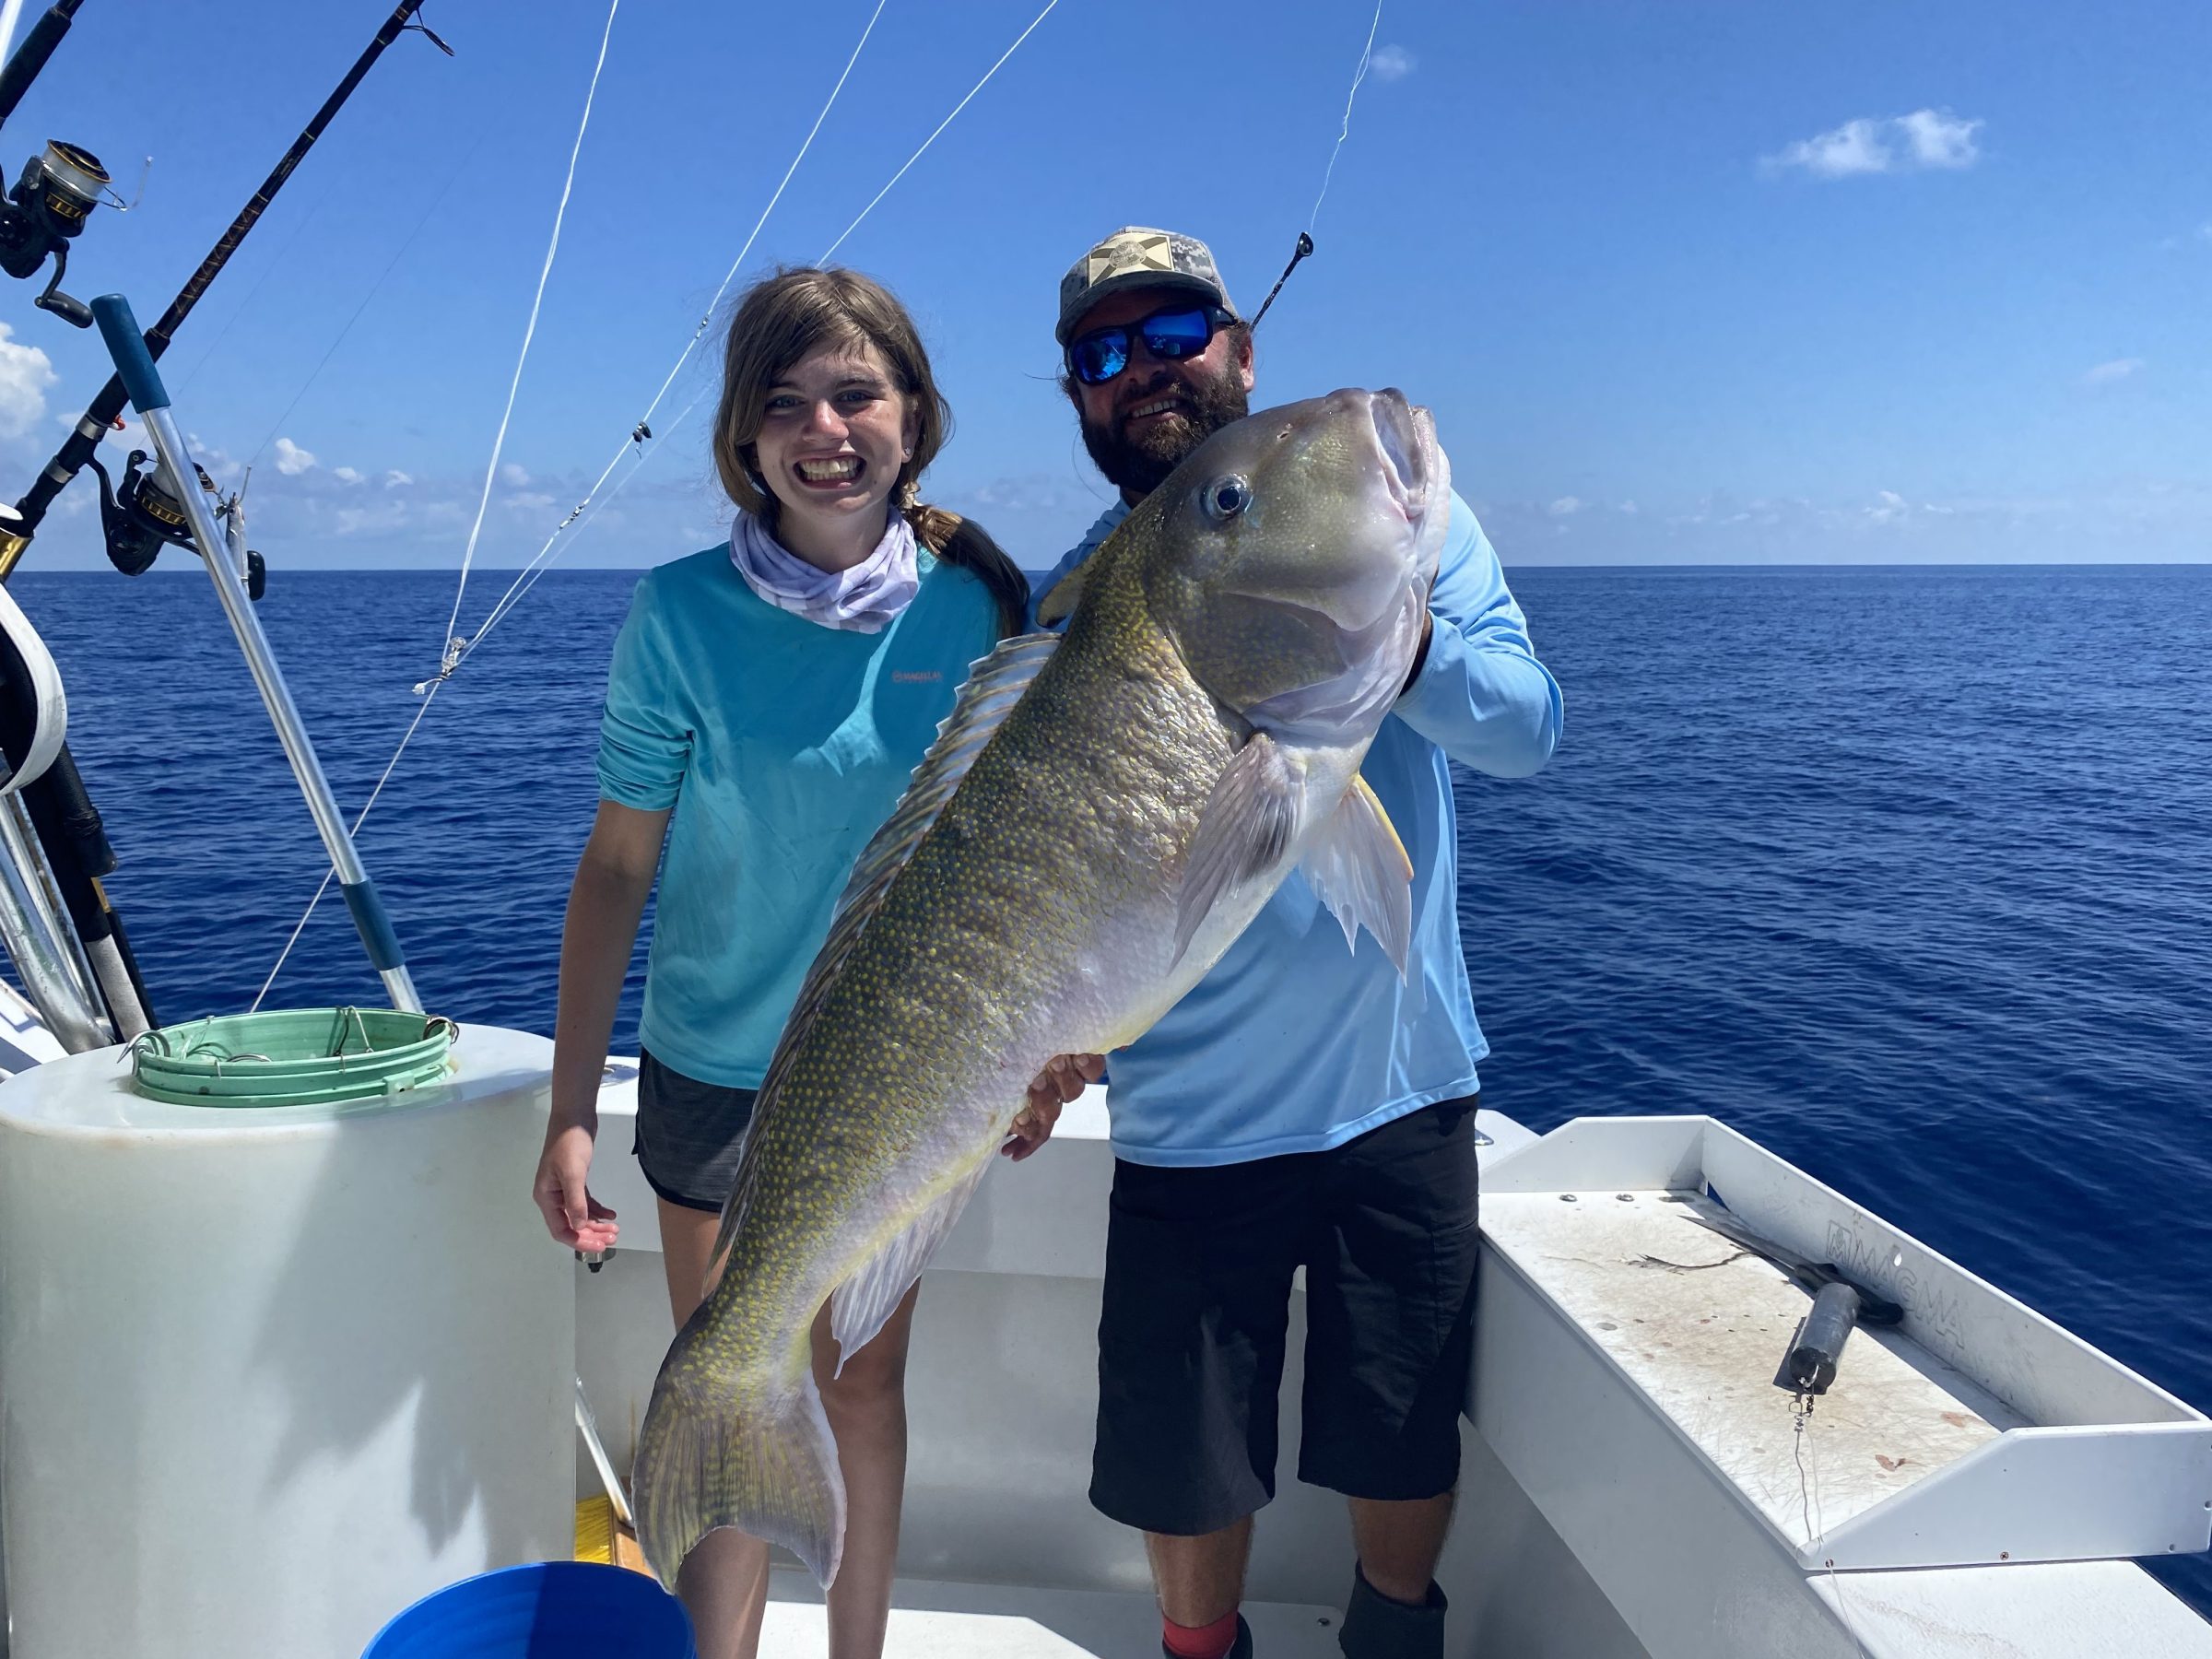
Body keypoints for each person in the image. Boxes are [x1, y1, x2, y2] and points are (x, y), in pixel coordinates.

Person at [1032, 228, 1564, 1659]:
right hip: (1186, 1118)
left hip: (1397, 1085)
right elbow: (1065, 884)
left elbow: (1527, 726)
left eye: (1175, 333)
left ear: (1241, 348)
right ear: (1079, 399)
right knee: (1182, 1452)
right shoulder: (1074, 604)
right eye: (1103, 354)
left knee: (1399, 1425)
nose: (1144, 370)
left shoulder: (1392, 516)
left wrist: (1379, 640)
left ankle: (1394, 1644)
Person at [529, 265, 1054, 1659]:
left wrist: (1056, 1054)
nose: (825, 428)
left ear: (915, 415)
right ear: (742, 440)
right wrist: (573, 1110)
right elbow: (618, 867)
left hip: (907, 1072)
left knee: (863, 1381)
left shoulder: (980, 607)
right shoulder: (677, 614)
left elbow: (1028, 868)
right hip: (716, 1070)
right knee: (726, 1388)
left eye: (855, 392)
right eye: (785, 403)